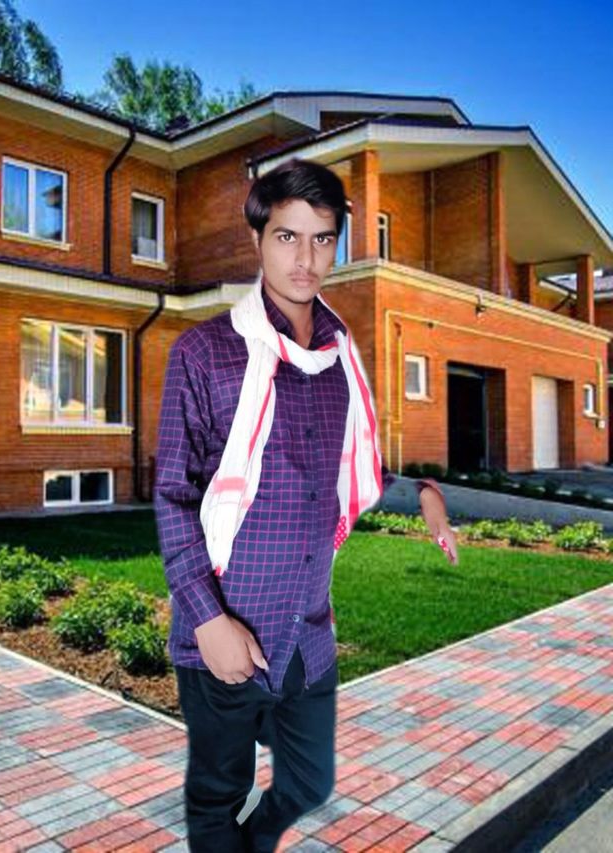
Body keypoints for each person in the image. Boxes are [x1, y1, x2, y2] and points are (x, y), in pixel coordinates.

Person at [153, 156, 458, 853]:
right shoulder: (204, 353)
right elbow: (173, 494)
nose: (306, 259)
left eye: (322, 239)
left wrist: (425, 493)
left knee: (310, 781)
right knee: (216, 799)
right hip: (226, 633)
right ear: (257, 239)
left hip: (307, 634)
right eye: (287, 236)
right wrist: (208, 620)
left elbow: (355, 469)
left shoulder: (340, 360)